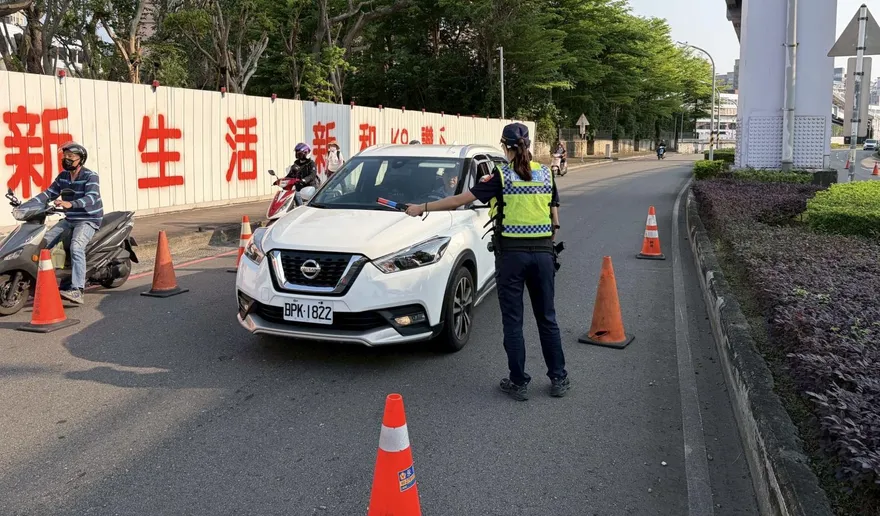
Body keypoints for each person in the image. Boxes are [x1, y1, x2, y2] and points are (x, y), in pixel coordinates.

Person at [404, 123, 569, 401]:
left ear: (506, 147)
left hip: (512, 258)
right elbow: (555, 223)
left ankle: (518, 382)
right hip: (543, 255)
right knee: (547, 319)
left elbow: (460, 200)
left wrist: (422, 208)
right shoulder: (545, 174)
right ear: (528, 144)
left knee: (514, 322)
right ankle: (559, 378)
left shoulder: (500, 177)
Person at [30, 142, 103, 304]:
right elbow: (48, 193)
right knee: (43, 242)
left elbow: (92, 197)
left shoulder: (90, 176)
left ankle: (77, 290)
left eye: (71, 157)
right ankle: (37, 283)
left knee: (77, 247)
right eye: (65, 156)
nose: (66, 159)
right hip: (70, 219)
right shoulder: (63, 176)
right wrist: (28, 205)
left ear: (80, 159)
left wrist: (71, 204)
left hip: (87, 219)